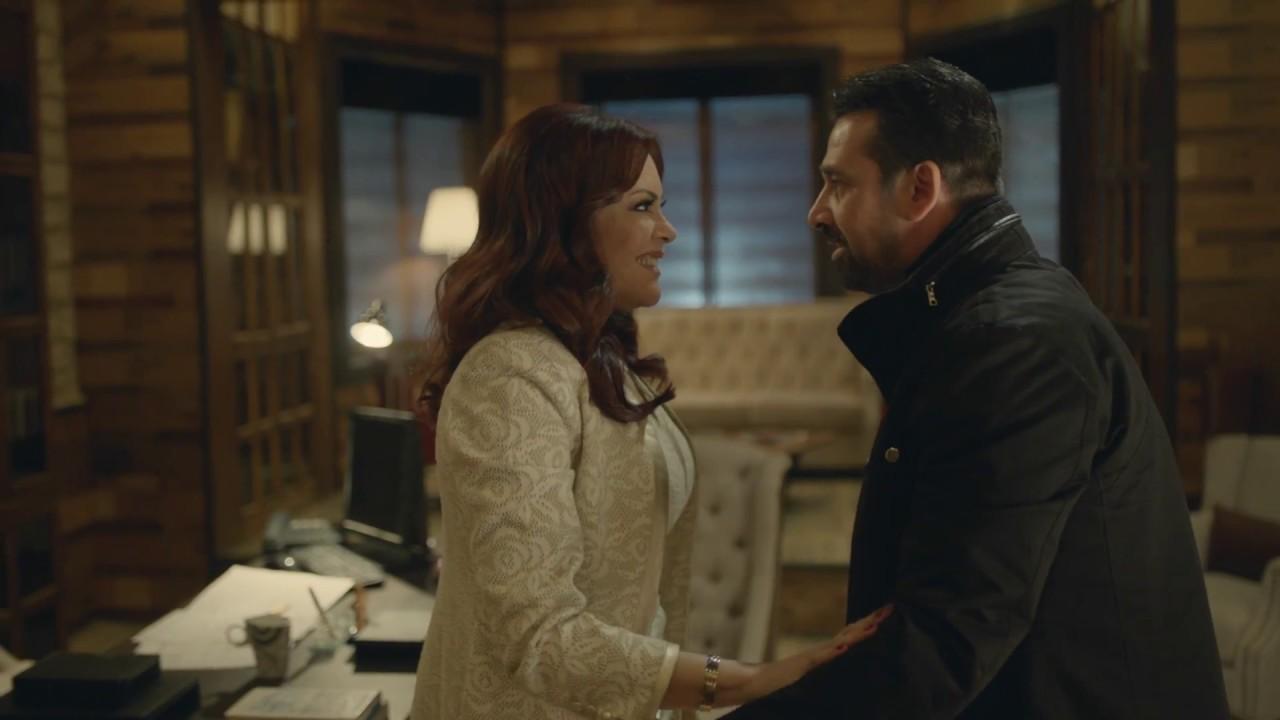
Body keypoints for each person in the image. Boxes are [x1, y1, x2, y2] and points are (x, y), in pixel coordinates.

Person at [725, 59, 1229, 719]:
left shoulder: (1015, 341)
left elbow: (945, 639)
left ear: (920, 188)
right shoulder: (986, 317)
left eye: (838, 184)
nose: (816, 212)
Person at [409, 103, 890, 720]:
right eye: (643, 207)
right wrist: (743, 681)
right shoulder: (510, 374)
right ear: (565, 220)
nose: (668, 231)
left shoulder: (599, 358)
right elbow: (539, 635)